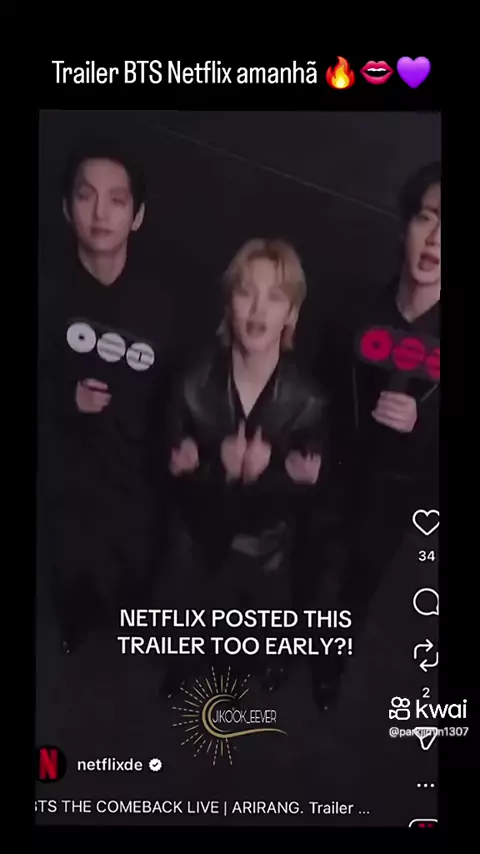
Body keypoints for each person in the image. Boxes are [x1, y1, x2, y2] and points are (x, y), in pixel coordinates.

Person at [162, 238, 329, 696]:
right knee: (189, 618)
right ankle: (182, 665)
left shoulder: (309, 399)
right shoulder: (191, 381)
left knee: (254, 638)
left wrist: (275, 475)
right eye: (245, 292)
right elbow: (163, 472)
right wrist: (204, 466)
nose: (257, 309)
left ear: (291, 314)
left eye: (274, 296)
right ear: (228, 302)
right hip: (198, 542)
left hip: (266, 553)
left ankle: (260, 663)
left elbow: (317, 503)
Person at [38, 143, 178, 654]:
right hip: (65, 474)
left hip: (136, 475)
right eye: (86, 196)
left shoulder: (164, 304)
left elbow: (182, 392)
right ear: (65, 207)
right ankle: (75, 620)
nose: (100, 213)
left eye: (117, 200)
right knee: (71, 567)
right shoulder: (48, 292)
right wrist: (65, 398)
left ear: (136, 215)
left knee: (135, 573)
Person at [310, 161, 441, 712]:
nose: (435, 239)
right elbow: (316, 394)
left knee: (359, 585)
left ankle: (331, 666)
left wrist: (420, 426)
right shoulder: (353, 310)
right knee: (311, 566)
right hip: (332, 478)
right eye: (427, 218)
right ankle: (285, 650)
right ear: (406, 223)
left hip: (397, 497)